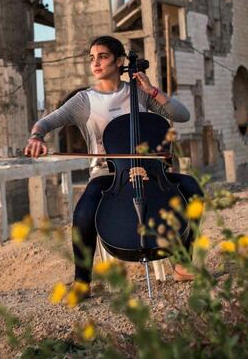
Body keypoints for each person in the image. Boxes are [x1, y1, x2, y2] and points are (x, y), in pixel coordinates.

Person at [24, 35, 202, 290]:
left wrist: (152, 90)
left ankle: (184, 262)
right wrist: (36, 137)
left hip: (150, 172)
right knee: (84, 214)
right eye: (92, 58)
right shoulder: (84, 101)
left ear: (120, 61)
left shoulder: (139, 95)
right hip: (108, 175)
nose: (95, 63)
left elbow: (182, 115)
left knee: (192, 189)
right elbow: (46, 122)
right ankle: (82, 281)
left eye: (103, 57)